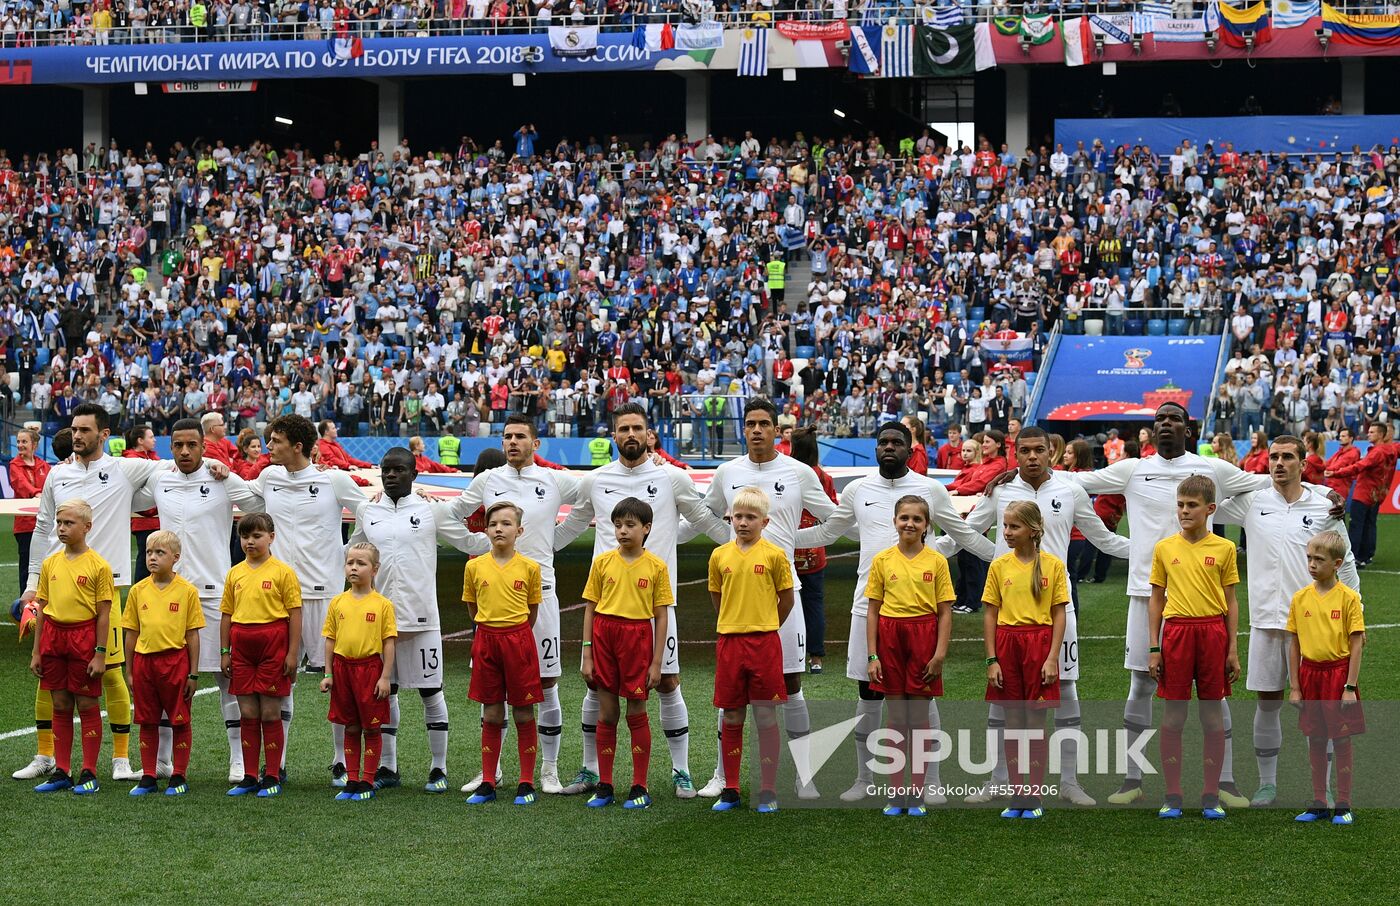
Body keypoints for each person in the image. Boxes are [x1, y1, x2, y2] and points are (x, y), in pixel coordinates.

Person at [1069, 402, 1279, 808]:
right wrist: (1024, 475)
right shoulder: (1132, 469)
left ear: (1188, 427)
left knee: (1215, 691)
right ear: (1153, 429)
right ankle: (1133, 778)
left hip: (1201, 604)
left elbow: (1260, 483)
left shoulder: (1211, 470)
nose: (1166, 424)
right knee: (1142, 684)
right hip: (1147, 596)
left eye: (1174, 419)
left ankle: (1227, 781)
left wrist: (1319, 493)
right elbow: (1081, 481)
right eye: (1160, 420)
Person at [796, 421, 993, 805]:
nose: (889, 447)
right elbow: (827, 533)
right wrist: (779, 539)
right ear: (876, 449)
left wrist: (1002, 557)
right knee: (868, 693)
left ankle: (930, 780)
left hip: (919, 614)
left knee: (922, 695)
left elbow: (964, 534)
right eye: (883, 442)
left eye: (896, 443)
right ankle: (864, 778)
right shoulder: (858, 490)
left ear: (909, 448)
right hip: (868, 608)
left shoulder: (930, 489)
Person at [941, 427, 1129, 807]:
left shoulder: (1070, 489)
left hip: (1057, 610)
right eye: (1023, 451)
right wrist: (962, 554)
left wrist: (1150, 550)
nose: (1031, 457)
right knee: (1002, 696)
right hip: (1009, 614)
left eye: (1038, 450)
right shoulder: (1001, 490)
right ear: (1015, 452)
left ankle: (1070, 782)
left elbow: (1102, 538)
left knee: (1067, 689)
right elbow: (969, 531)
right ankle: (997, 780)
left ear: (1051, 452)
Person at [552, 403, 726, 798]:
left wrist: (740, 543)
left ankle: (681, 771)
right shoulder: (594, 480)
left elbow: (701, 520)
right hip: (609, 606)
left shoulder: (673, 479)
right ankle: (590, 769)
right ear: (613, 435)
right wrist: (539, 550)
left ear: (649, 435)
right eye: (623, 428)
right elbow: (575, 522)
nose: (630, 434)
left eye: (637, 428)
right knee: (597, 687)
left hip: (655, 606)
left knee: (667, 682)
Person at [16, 403, 180, 783]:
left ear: (104, 435)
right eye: (74, 429)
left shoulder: (124, 470)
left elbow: (172, 467)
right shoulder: (57, 474)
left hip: (105, 587)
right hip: (57, 587)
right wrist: (30, 585)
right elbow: (42, 530)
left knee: (110, 673)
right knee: (49, 677)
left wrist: (217, 467)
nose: (77, 436)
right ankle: (45, 755)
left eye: (85, 430)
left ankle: (120, 760)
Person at [698, 398, 836, 800]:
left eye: (764, 424)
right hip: (738, 595)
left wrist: (798, 540)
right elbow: (706, 514)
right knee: (731, 693)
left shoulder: (798, 472)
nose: (757, 430)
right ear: (744, 429)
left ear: (778, 430)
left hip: (783, 592)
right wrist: (723, 545)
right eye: (750, 424)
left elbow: (833, 516)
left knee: (791, 684)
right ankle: (723, 776)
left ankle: (804, 775)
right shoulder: (727, 472)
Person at [1213, 435, 1359, 807]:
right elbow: (1210, 502)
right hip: (1265, 618)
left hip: (1314, 625)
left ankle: (1323, 789)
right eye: (1274, 457)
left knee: (1322, 707)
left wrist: (1354, 611)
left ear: (1302, 463)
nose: (1279, 463)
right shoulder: (1253, 501)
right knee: (1267, 703)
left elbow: (1347, 559)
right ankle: (1267, 784)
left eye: (1287, 457)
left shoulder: (1324, 503)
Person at [451, 414, 582, 795]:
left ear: (535, 443)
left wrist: (558, 539)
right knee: (492, 688)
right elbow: (453, 514)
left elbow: (592, 498)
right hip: (495, 597)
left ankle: (549, 770)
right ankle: (490, 771)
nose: (512, 442)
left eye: (520, 436)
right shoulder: (488, 480)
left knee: (547, 680)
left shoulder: (554, 480)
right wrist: (479, 547)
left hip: (541, 588)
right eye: (507, 436)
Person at [348, 447, 483, 792]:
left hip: (422, 616)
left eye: (399, 470)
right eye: (386, 470)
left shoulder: (430, 510)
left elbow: (465, 539)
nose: (391, 475)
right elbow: (353, 554)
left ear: (414, 474)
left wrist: (504, 541)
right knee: (386, 690)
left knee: (430, 690)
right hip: (378, 618)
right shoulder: (368, 510)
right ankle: (388, 767)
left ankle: (438, 768)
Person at [244, 413, 367, 785]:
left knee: (339, 679)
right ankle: (276, 764)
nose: (269, 447)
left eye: (276, 441)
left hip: (326, 595)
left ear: (297, 446)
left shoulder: (332, 479)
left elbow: (367, 512)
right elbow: (242, 494)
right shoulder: (268, 478)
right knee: (281, 680)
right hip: (277, 598)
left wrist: (347, 550)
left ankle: (341, 761)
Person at [1148, 475, 1240, 820]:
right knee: (1173, 715)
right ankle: (1173, 794)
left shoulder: (1225, 549)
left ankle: (1210, 794)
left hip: (1212, 633)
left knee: (1212, 716)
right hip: (1177, 635)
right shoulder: (1165, 548)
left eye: (1192, 505)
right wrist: (1153, 646)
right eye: (1180, 505)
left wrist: (1232, 649)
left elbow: (1231, 601)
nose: (1184, 511)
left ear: (1210, 509)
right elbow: (1156, 599)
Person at [579, 498, 672, 810]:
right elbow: (590, 608)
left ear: (646, 529)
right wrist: (587, 652)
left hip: (637, 639)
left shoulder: (656, 566)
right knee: (607, 712)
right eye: (617, 525)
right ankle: (605, 785)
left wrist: (657, 662)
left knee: (636, 710)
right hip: (604, 637)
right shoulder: (603, 562)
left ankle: (639, 786)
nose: (622, 530)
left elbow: (661, 616)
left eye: (630, 525)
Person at [864, 495, 954, 817]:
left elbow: (945, 612)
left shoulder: (936, 561)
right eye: (904, 518)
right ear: (894, 521)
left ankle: (916, 794)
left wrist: (939, 654)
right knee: (896, 719)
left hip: (923, 638)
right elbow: (872, 610)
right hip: (890, 639)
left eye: (917, 519)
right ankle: (895, 794)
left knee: (918, 720)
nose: (910, 524)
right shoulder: (883, 560)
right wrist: (872, 655)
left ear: (927, 525)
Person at [707, 486, 793, 814]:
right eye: (738, 516)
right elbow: (717, 596)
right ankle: (730, 789)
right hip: (730, 642)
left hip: (764, 643)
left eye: (750, 517)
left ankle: (768, 788)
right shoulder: (719, 556)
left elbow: (786, 599)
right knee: (731, 714)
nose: (743, 523)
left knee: (765, 715)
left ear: (765, 521)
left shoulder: (774, 555)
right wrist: (733, 620)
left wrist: (766, 622)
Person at [982, 501, 1069, 820]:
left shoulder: (1053, 566)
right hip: (1007, 645)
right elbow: (990, 613)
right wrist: (992, 659)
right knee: (1012, 724)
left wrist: (1051, 658)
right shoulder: (999, 566)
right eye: (1004, 526)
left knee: (1034, 724)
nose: (1006, 532)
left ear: (1033, 531)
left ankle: (1034, 796)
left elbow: (1059, 614)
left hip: (1039, 644)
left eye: (1013, 526)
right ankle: (1016, 795)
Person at [29, 499, 114, 796]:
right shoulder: (50, 562)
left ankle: (89, 771)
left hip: (82, 638)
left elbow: (104, 613)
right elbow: (42, 607)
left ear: (87, 527)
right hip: (54, 637)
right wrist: (36, 650)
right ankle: (62, 770)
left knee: (87, 704)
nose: (62, 528)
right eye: (59, 522)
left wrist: (100, 652)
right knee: (61, 704)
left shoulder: (98, 565)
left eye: (69, 523)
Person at [462, 501, 543, 807]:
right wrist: (489, 630)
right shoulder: (474, 566)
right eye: (493, 523)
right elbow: (473, 608)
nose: (499, 528)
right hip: (486, 640)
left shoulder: (529, 568)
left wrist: (515, 633)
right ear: (485, 529)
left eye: (506, 523)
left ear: (519, 530)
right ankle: (487, 781)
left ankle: (526, 781)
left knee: (523, 710)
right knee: (492, 711)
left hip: (518, 639)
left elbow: (532, 610)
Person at [221, 512, 302, 799]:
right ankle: (249, 776)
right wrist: (225, 651)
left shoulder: (283, 572)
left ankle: (272, 775)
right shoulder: (235, 573)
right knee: (247, 712)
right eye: (245, 536)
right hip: (242, 647)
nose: (250, 542)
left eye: (257, 536)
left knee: (270, 712)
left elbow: (294, 614)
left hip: (272, 644)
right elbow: (227, 615)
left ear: (271, 537)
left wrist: (292, 654)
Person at [1287, 531, 1365, 826]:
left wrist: (1350, 687)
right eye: (1309, 558)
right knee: (1316, 739)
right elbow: (1293, 643)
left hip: (1338, 675)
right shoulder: (1300, 598)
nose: (1312, 564)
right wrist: (1295, 686)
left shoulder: (1348, 598)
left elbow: (1357, 643)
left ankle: (1343, 804)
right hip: (1310, 675)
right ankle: (1319, 801)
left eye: (1319, 559)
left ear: (1337, 563)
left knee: (1342, 740)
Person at [120, 531, 202, 797]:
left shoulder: (187, 591)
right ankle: (148, 776)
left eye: (160, 553)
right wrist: (129, 669)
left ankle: (179, 775)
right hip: (145, 664)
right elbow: (130, 632)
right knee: (147, 720)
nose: (152, 558)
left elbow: (192, 634)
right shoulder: (137, 590)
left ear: (175, 558)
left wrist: (193, 673)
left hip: (175, 662)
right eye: (149, 553)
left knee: (179, 720)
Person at [319, 543, 397, 804]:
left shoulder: (383, 604)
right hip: (343, 670)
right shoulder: (337, 602)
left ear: (375, 569)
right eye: (350, 562)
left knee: (371, 728)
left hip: (369, 670)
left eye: (361, 563)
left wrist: (385, 676)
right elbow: (330, 639)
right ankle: (352, 779)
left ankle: (367, 779)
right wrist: (328, 673)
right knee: (350, 726)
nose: (354, 567)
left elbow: (389, 642)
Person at [788, 427, 838, 675]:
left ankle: (788, 654)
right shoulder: (823, 477)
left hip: (786, 547)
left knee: (782, 602)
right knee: (814, 604)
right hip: (814, 551)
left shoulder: (788, 472)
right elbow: (833, 511)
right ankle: (816, 657)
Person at [1326, 422, 1395, 568]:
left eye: (1372, 432)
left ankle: (1353, 557)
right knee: (1369, 524)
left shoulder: (1376, 452)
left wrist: (1336, 473)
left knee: (1356, 525)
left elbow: (1359, 466)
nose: (1368, 434)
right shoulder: (1391, 450)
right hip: (1377, 493)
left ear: (1381, 434)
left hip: (1364, 492)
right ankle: (1366, 556)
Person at [10, 426, 51, 592]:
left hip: (44, 524)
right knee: (27, 568)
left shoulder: (43, 465)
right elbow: (20, 484)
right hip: (25, 525)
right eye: (18, 441)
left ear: (34, 445)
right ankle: (25, 607)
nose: (20, 445)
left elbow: (52, 484)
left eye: (24, 441)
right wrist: (36, 493)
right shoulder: (14, 465)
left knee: (46, 567)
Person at [123, 424, 161, 583]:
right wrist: (152, 508)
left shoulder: (152, 458)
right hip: (144, 519)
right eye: (151, 437)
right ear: (140, 440)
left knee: (156, 559)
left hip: (154, 517)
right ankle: (138, 594)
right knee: (145, 562)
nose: (154, 440)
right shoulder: (131, 461)